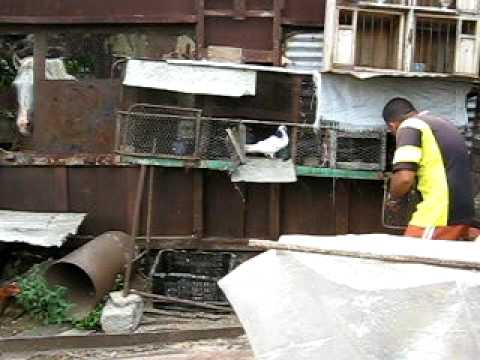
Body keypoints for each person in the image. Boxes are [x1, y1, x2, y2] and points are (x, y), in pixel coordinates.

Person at [383, 97, 474, 240]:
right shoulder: (442, 124)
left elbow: (404, 178)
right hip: (462, 214)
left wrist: (393, 198)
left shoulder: (409, 126)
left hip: (438, 214)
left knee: (408, 256)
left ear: (392, 126)